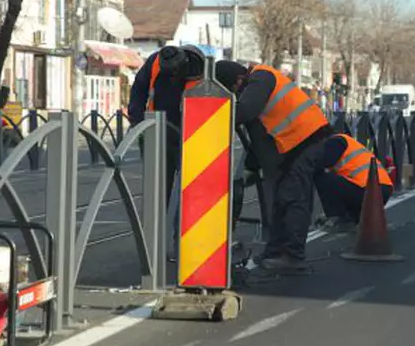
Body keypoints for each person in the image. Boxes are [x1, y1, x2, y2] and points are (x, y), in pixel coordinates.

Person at [215, 60, 332, 275]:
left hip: (305, 140)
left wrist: (212, 117)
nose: (235, 95)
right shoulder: (256, 82)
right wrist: (253, 166)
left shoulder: (261, 78)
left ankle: (293, 256)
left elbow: (245, 112)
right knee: (281, 198)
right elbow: (259, 136)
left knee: (294, 198)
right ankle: (276, 251)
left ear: (238, 80)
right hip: (293, 144)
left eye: (232, 90)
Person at [128, 44, 205, 200]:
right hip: (157, 132)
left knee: (191, 186)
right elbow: (138, 89)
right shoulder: (154, 62)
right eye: (169, 73)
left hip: (190, 134)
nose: (173, 77)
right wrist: (137, 121)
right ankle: (160, 213)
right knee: (159, 187)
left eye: (176, 73)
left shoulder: (199, 67)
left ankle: (185, 214)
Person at [313, 133, 393, 232]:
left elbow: (319, 164)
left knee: (321, 176)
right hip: (381, 189)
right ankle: (351, 217)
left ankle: (338, 217)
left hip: (369, 190)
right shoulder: (345, 142)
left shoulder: (335, 142)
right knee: (340, 181)